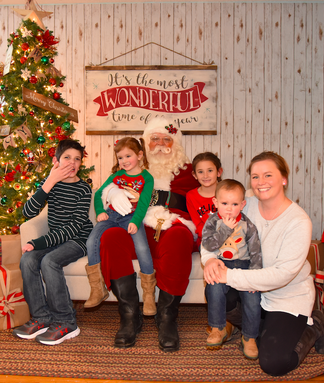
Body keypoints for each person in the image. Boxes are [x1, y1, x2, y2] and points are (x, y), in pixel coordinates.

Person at [204, 151, 324, 375]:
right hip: (251, 289)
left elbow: (283, 274)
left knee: (273, 363)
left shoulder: (298, 221)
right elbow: (212, 228)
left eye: (267, 175)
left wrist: (230, 276)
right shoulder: (244, 202)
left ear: (284, 178)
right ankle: (258, 330)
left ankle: (314, 326)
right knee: (214, 290)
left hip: (285, 295)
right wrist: (209, 261)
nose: (260, 182)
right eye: (255, 176)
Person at [99, 117, 200, 351]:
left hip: (172, 222)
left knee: (180, 237)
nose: (161, 144)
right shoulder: (130, 165)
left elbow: (204, 195)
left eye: (167, 139)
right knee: (111, 237)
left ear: (176, 144)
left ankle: (166, 318)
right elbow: (107, 188)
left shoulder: (187, 171)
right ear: (145, 143)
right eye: (155, 139)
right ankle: (129, 316)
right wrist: (112, 193)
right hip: (134, 223)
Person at [12, 139, 93, 345]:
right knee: (28, 259)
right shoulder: (51, 185)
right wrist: (49, 182)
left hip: (77, 239)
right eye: (67, 158)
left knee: (49, 261)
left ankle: (66, 321)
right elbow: (28, 212)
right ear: (56, 161)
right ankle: (41, 317)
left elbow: (74, 228)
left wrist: (39, 243)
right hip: (56, 237)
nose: (72, 163)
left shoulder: (83, 189)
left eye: (77, 159)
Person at [84, 137, 157, 316]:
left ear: (140, 155)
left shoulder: (146, 178)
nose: (124, 161)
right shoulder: (117, 176)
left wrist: (135, 221)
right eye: (120, 158)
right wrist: (100, 210)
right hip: (111, 215)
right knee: (91, 241)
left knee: (141, 247)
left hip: (131, 216)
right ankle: (97, 288)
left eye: (128, 156)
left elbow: (144, 203)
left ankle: (149, 295)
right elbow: (99, 193)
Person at [200, 179, 261, 359]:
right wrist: (225, 229)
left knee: (252, 296)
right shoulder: (212, 222)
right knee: (214, 287)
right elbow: (209, 245)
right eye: (224, 203)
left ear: (243, 204)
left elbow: (255, 250)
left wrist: (256, 274)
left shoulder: (247, 224)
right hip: (221, 263)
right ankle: (217, 328)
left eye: (234, 204)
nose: (229, 209)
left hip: (244, 265)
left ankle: (249, 337)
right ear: (215, 202)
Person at [186, 152, 223, 246]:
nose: (205, 176)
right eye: (200, 172)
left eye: (210, 170)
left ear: (219, 172)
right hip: (206, 240)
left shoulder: (228, 192)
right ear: (194, 175)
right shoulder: (191, 196)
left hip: (229, 237)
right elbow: (197, 225)